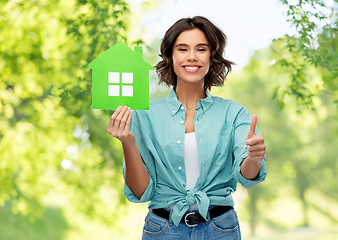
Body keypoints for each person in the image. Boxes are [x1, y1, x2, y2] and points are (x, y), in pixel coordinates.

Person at [107, 16, 267, 240]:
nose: (192, 56)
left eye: (201, 49)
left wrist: (254, 157)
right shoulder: (144, 115)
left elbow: (247, 176)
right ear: (170, 57)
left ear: (212, 57)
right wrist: (128, 142)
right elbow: (140, 191)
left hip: (220, 229)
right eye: (183, 49)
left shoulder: (234, 113)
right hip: (163, 230)